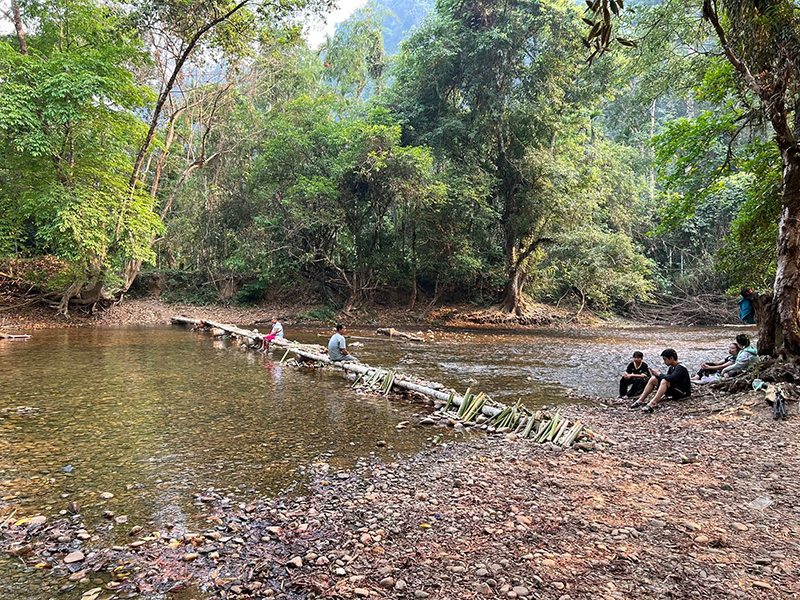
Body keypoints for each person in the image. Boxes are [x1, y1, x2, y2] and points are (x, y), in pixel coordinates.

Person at [630, 348, 691, 413]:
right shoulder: (672, 367)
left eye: (665, 359)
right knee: (653, 379)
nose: (664, 362)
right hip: (674, 389)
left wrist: (659, 374)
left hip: (682, 393)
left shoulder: (680, 367)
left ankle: (653, 402)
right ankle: (641, 400)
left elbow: (671, 378)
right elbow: (668, 377)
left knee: (664, 381)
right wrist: (656, 375)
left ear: (671, 358)